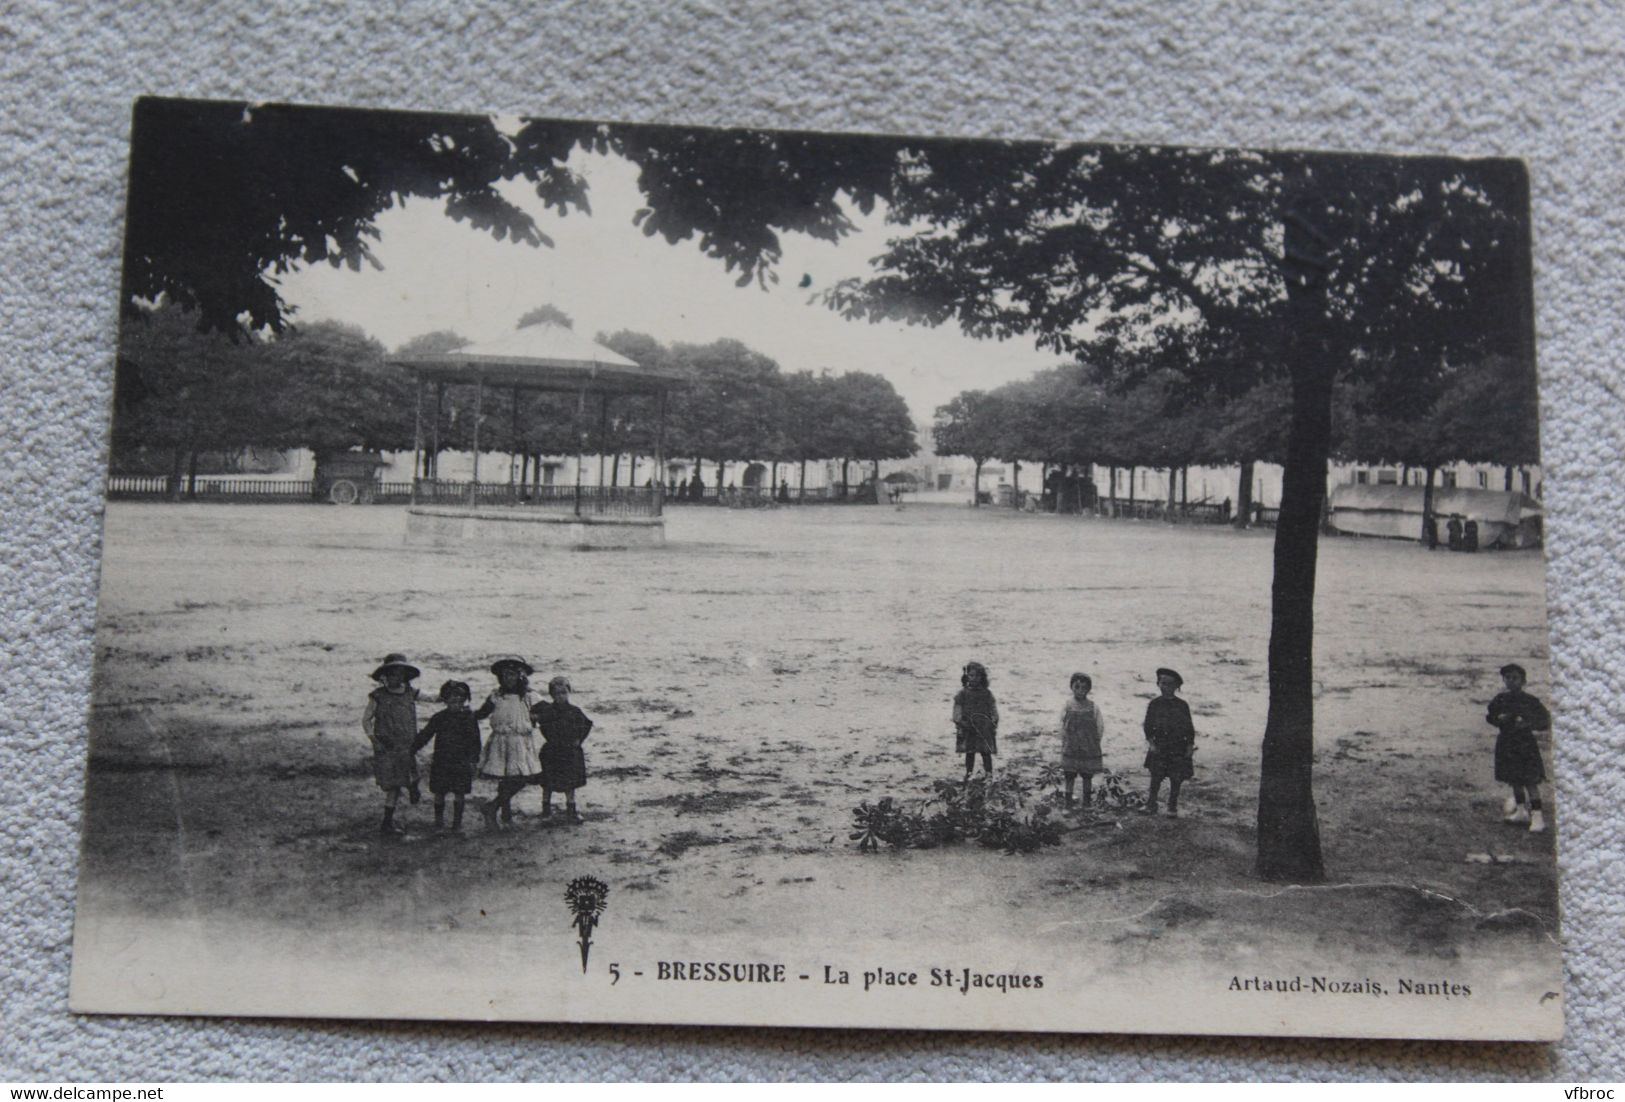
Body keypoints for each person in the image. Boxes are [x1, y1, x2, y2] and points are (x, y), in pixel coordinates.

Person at [362, 653, 434, 835]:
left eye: (400, 674)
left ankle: (413, 787)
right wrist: (373, 739)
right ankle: (387, 822)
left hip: (407, 744)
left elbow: (432, 698)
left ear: (405, 676)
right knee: (392, 784)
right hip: (387, 746)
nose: (396, 678)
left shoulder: (411, 692)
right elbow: (366, 720)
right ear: (384, 676)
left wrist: (449, 694)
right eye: (392, 674)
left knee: (411, 771)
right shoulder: (377, 696)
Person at [474, 656, 543, 829]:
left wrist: (539, 717)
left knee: (522, 777)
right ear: (501, 677)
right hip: (501, 741)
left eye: (513, 674)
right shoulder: (496, 696)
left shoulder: (530, 696)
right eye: (505, 675)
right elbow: (481, 714)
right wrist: (461, 713)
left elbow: (547, 712)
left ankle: (493, 807)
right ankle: (504, 814)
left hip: (521, 742)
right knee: (505, 778)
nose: (509, 678)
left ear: (520, 676)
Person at [1486, 662, 1552, 833]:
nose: (1511, 681)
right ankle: (1521, 811)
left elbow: (1545, 721)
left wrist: (1527, 724)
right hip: (1507, 742)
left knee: (1530, 780)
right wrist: (1500, 719)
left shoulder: (1530, 701)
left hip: (1525, 744)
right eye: (1507, 678)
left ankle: (1538, 817)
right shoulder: (1500, 699)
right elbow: (1490, 716)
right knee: (1514, 779)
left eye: (1515, 678)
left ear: (1523, 681)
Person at [412, 679, 483, 831]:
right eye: (451, 696)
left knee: (460, 793)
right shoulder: (439, 717)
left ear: (465, 699)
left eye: (460, 697)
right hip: (441, 761)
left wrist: (474, 760)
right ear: (444, 699)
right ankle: (439, 824)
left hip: (461, 762)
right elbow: (425, 735)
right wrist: (411, 749)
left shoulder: (470, 717)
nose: (456, 699)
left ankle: (457, 825)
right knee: (439, 792)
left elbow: (475, 741)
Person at [532, 675, 595, 823]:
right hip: (552, 751)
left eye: (563, 693)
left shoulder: (575, 711)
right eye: (556, 693)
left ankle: (571, 810)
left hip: (570, 751)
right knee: (548, 782)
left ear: (568, 692)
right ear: (552, 694)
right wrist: (550, 737)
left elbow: (586, 724)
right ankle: (546, 810)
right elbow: (540, 723)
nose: (560, 696)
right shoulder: (547, 710)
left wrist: (578, 740)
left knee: (570, 782)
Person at [1142, 667, 1196, 817]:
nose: (1166, 687)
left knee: (1176, 778)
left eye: (1170, 684)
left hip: (1177, 747)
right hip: (1159, 746)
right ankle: (1151, 804)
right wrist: (1151, 743)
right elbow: (1147, 726)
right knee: (1156, 777)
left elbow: (1189, 728)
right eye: (1163, 683)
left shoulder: (1182, 705)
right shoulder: (1154, 704)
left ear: (1177, 687)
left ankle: (1172, 806)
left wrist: (1190, 746)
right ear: (1158, 684)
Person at [1060, 673, 1105, 811]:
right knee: (1069, 775)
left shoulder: (1093, 707)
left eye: (1084, 688)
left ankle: (1087, 803)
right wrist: (1065, 741)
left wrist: (1093, 742)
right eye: (1077, 687)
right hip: (1071, 747)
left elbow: (1100, 726)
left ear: (1089, 689)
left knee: (1087, 776)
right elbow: (1062, 724)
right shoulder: (1067, 705)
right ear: (1071, 687)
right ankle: (1068, 803)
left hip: (1088, 747)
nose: (1080, 690)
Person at [953, 661, 999, 783]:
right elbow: (957, 709)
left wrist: (994, 721)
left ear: (982, 677)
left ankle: (989, 773)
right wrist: (959, 721)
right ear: (967, 676)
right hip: (968, 726)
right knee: (970, 752)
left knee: (986, 751)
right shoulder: (962, 693)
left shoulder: (987, 693)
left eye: (978, 676)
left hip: (984, 726)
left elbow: (993, 708)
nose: (974, 678)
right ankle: (969, 773)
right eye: (972, 675)